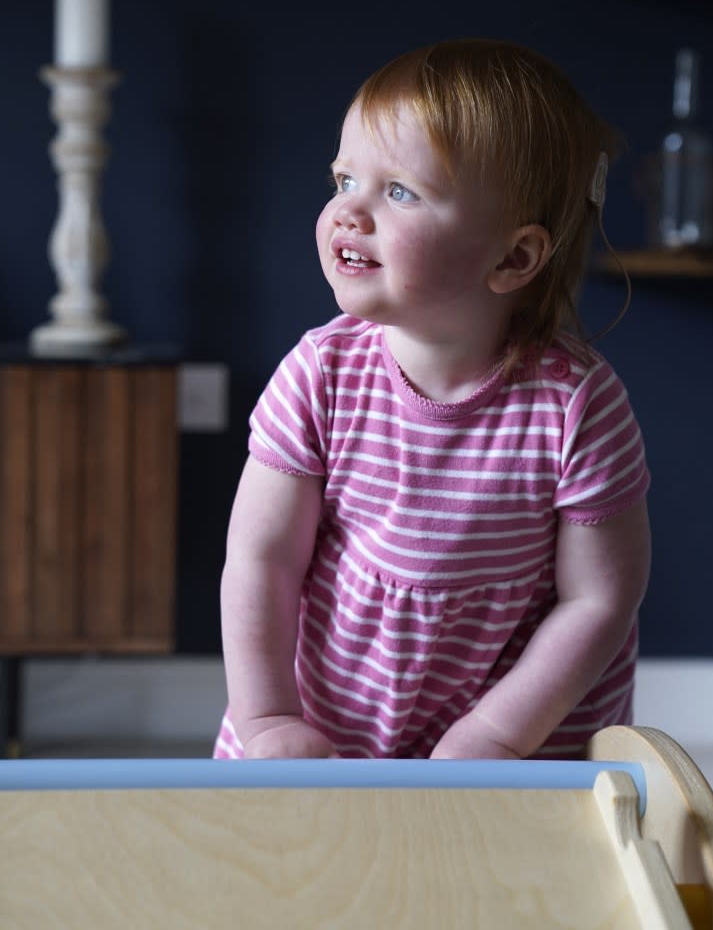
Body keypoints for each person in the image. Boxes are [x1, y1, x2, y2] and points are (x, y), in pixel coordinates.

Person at [213, 38, 651, 762]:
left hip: (515, 738)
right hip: (324, 727)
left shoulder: (576, 404)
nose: (349, 212)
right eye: (343, 178)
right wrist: (265, 720)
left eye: (399, 191)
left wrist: (493, 736)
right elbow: (261, 559)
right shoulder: (320, 374)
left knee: (495, 876)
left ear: (512, 257)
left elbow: (597, 601)